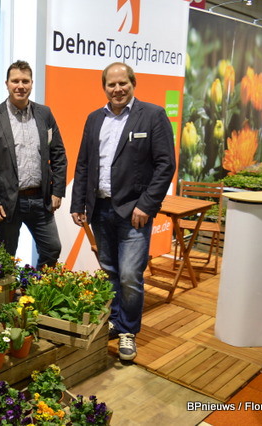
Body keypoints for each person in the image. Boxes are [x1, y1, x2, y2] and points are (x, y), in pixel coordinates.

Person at [70, 62, 176, 361]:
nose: (117, 89)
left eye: (122, 83)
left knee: (130, 275)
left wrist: (147, 205)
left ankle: (128, 330)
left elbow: (166, 164)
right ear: (104, 87)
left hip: (134, 213)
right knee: (110, 272)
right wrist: (78, 203)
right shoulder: (94, 119)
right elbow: (83, 163)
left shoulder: (153, 115)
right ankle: (115, 321)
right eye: (111, 84)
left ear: (133, 83)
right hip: (100, 209)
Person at [0, 60, 67, 270]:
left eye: (25, 81)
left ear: (32, 83)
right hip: (7, 203)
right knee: (6, 257)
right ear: (6, 84)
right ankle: (9, 290)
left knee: (52, 249)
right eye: (15, 81)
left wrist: (57, 190)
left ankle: (33, 286)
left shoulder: (44, 114)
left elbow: (59, 154)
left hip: (41, 199)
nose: (20, 86)